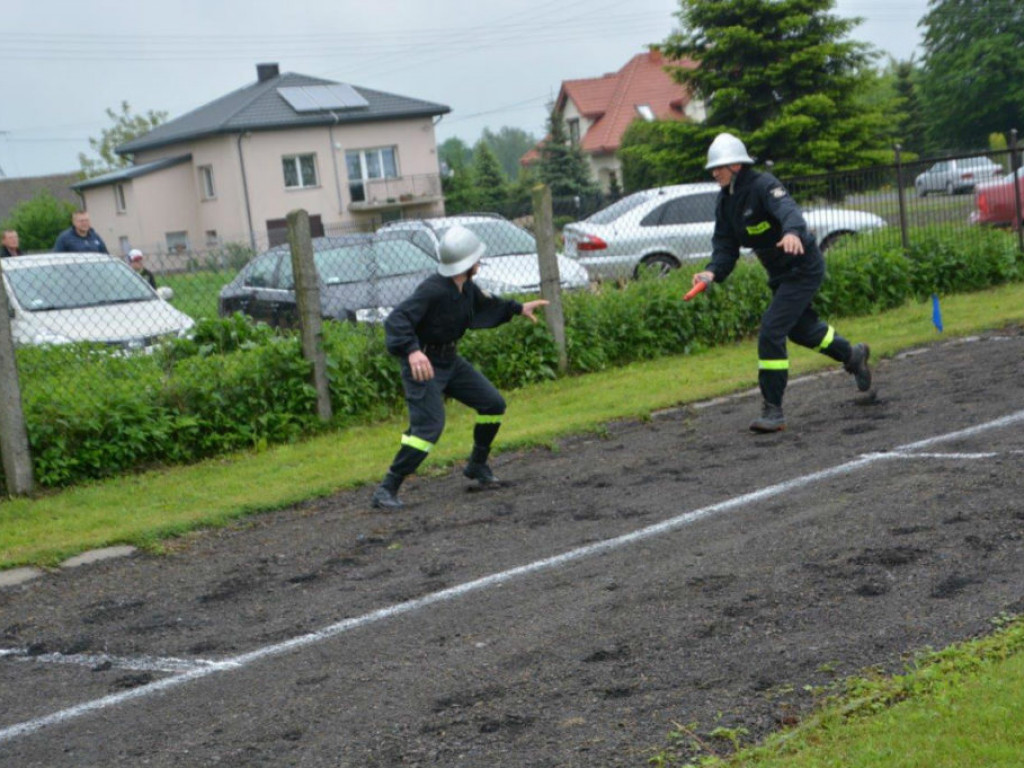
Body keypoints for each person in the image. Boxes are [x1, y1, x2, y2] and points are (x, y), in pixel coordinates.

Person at [692, 132, 872, 433]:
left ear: (737, 165)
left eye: (720, 166)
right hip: (779, 273)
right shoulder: (725, 203)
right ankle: (852, 355)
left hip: (802, 267)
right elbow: (725, 247)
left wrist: (791, 233)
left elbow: (789, 211)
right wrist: (711, 272)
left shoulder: (764, 185)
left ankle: (773, 410)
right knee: (803, 331)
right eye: (713, 167)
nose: (715, 172)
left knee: (771, 331)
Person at [371, 224, 549, 509]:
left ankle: (477, 465)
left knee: (493, 404)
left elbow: (486, 305)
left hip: (450, 361)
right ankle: (387, 488)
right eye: (476, 258)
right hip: (425, 366)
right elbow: (397, 320)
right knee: (428, 428)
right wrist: (413, 351)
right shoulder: (433, 290)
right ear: (466, 263)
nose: (479, 262)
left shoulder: (465, 288)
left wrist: (517, 308)